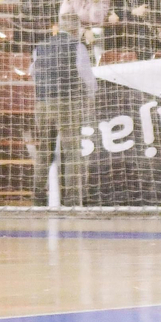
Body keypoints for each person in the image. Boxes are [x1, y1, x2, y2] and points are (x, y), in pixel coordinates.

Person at [29, 14, 95, 207]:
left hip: (42, 103)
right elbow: (86, 76)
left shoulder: (40, 47)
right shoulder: (77, 46)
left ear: (57, 27)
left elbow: (32, 72)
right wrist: (91, 96)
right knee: (71, 150)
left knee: (44, 150)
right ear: (76, 29)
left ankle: (38, 196)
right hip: (67, 101)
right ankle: (73, 198)